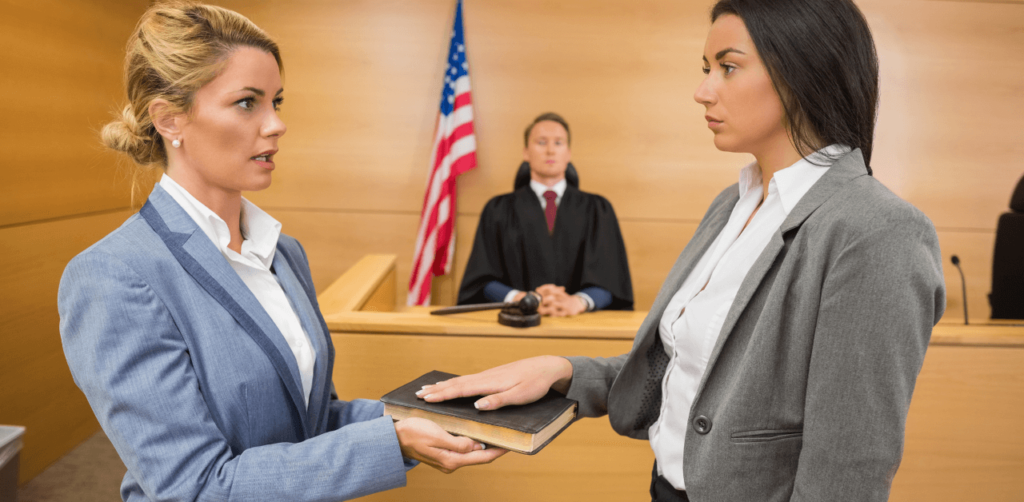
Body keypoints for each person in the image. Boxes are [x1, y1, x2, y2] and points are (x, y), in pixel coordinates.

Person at [420, 0, 946, 500]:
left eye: (728, 67)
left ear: (801, 71)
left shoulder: (877, 231)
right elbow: (691, 368)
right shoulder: (733, 203)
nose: (702, 90)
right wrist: (562, 371)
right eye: (705, 67)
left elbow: (847, 472)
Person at [56, 3, 503, 501]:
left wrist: (420, 417)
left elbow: (310, 421)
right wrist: (390, 440)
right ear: (169, 119)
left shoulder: (283, 252)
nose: (276, 124)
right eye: (248, 103)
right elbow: (194, 489)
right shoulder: (113, 276)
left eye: (277, 101)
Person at [457, 112, 634, 316]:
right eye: (541, 142)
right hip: (517, 326)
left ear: (568, 153)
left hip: (580, 327)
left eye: (558, 143)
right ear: (526, 152)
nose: (550, 150)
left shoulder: (598, 210)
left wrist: (577, 302)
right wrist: (522, 299)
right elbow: (481, 281)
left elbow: (612, 280)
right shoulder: (498, 210)